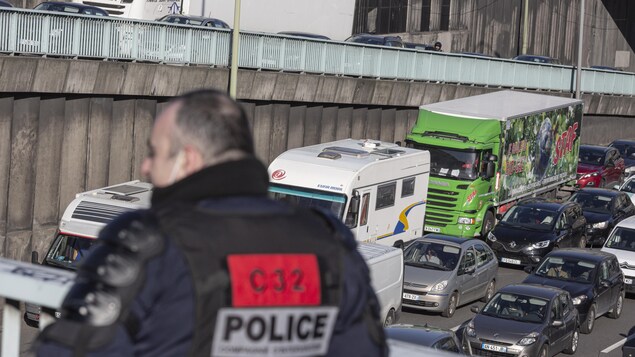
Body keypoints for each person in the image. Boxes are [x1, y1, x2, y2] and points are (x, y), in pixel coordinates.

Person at [36, 89, 387, 356]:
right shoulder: (329, 242)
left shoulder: (149, 244)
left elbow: (72, 347)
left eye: (154, 152)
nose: (145, 168)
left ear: (187, 160)